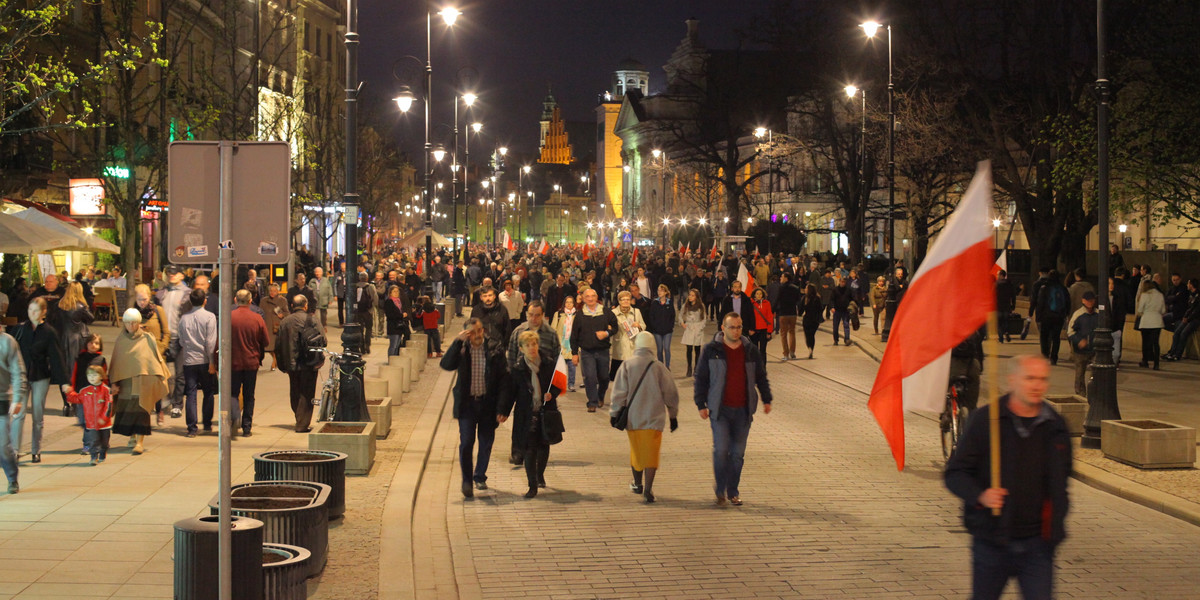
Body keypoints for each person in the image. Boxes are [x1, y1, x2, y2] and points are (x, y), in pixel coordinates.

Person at [944, 355, 1071, 600]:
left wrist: (1055, 526)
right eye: (1030, 378)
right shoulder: (986, 421)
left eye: (1043, 379)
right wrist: (981, 495)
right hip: (992, 542)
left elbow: (1061, 484)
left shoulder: (1055, 426)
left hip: (1038, 546)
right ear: (1012, 380)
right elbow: (955, 473)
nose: (1037, 385)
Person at [695, 313, 772, 507]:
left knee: (737, 454)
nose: (736, 331)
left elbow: (761, 376)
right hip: (720, 410)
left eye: (739, 327)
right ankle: (720, 488)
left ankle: (733, 491)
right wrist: (701, 404)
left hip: (743, 411)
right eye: (732, 327)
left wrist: (766, 398)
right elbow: (701, 378)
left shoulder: (750, 350)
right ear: (723, 328)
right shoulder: (712, 350)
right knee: (721, 450)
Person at [609, 332, 679, 503]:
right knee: (651, 454)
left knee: (637, 451)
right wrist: (673, 416)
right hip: (654, 418)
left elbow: (619, 392)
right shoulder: (659, 366)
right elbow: (671, 394)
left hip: (634, 418)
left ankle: (637, 483)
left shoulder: (627, 365)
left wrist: (614, 413)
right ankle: (648, 489)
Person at [440, 319, 506, 498]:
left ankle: (479, 476)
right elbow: (445, 365)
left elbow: (503, 379)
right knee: (467, 442)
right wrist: (457, 342)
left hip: (488, 404)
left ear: (483, 330)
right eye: (472, 333)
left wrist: (502, 407)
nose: (476, 336)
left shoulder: (494, 348)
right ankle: (467, 480)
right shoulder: (462, 349)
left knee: (485, 443)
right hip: (467, 404)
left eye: (479, 331)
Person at [498, 330, 562, 499]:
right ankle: (532, 485)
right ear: (521, 349)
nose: (532, 348)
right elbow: (510, 393)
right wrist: (503, 411)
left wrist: (552, 394)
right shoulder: (518, 369)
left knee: (543, 446)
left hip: (545, 411)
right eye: (527, 345)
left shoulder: (548, 363)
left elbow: (558, 383)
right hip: (526, 413)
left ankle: (540, 474)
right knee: (529, 449)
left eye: (534, 344)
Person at [11, 297, 69, 463]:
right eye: (30, 310)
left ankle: (36, 450)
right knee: (18, 414)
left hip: (40, 376)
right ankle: (15, 450)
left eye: (36, 310)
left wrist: (64, 381)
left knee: (37, 414)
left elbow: (57, 357)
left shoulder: (49, 332)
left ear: (44, 312)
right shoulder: (20, 329)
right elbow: (11, 352)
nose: (32, 314)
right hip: (21, 377)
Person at [109, 308, 170, 456]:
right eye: (128, 323)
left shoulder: (147, 338)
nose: (131, 326)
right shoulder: (121, 339)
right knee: (128, 411)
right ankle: (132, 437)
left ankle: (139, 442)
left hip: (142, 382)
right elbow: (116, 362)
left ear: (138, 323)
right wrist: (114, 382)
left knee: (141, 411)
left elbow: (154, 360)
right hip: (126, 383)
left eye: (134, 323)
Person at [276, 295, 321, 432]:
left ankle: (299, 417)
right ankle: (302, 423)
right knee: (307, 392)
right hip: (309, 362)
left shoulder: (285, 322)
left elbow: (278, 344)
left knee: (295, 390)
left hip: (291, 363)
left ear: (291, 306)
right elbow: (322, 340)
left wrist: (281, 363)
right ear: (306, 305)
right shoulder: (312, 320)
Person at [177, 289, 217, 438]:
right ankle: (207, 423)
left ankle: (191, 428)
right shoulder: (209, 317)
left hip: (189, 360)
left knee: (191, 394)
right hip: (205, 360)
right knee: (208, 392)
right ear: (204, 301)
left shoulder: (184, 318)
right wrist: (212, 361)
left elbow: (181, 340)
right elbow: (210, 341)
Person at [571, 289, 618, 413]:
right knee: (590, 377)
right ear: (583, 299)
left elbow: (615, 327)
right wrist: (574, 353)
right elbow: (574, 336)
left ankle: (600, 396)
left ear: (597, 297)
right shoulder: (580, 315)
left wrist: (606, 333)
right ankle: (592, 402)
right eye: (587, 296)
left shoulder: (606, 312)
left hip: (603, 350)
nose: (590, 299)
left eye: (593, 296)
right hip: (587, 352)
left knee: (604, 377)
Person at [230, 290, 269, 437]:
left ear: (235, 299)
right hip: (251, 362)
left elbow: (219, 341)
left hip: (233, 362)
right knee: (249, 395)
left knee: (233, 393)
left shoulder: (229, 317)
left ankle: (234, 417)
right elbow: (265, 341)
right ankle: (247, 427)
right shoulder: (257, 318)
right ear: (250, 300)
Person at [55, 282, 94, 425]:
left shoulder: (61, 305)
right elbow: (91, 319)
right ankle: (77, 402)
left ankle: (66, 404)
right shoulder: (81, 306)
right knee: (78, 370)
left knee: (65, 371)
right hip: (78, 340)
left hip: (65, 339)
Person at [156, 265, 190, 418]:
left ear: (182, 276)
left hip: (180, 338)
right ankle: (163, 400)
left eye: (175, 274)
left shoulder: (187, 294)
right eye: (169, 273)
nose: (171, 276)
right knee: (162, 372)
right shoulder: (162, 293)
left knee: (179, 373)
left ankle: (177, 404)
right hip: (164, 338)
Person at [66, 364, 112, 465]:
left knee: (104, 442)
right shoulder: (85, 391)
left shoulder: (106, 390)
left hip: (104, 424)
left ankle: (103, 452)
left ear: (101, 376)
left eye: (94, 375)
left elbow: (108, 406)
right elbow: (77, 399)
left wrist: (104, 418)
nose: (92, 378)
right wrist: (69, 393)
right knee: (93, 440)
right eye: (89, 376)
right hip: (91, 423)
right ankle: (93, 456)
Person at [67, 334, 106, 455]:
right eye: (91, 342)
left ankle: (89, 445)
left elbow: (104, 378)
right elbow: (74, 374)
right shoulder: (80, 358)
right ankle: (94, 441)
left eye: (96, 343)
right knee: (83, 420)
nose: (93, 345)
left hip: (96, 396)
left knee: (92, 421)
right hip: (81, 394)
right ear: (86, 343)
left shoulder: (101, 360)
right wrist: (71, 389)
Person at [0, 321, 27, 493]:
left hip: (1, 398)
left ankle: (12, 476)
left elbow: (18, 372)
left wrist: (18, 398)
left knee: (3, 444)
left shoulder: (7, 342)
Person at [1033, 271, 1069, 365]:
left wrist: (1038, 316)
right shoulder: (1062, 288)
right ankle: (1054, 357)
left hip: (1046, 316)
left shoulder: (1044, 288)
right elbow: (1068, 302)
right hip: (1059, 317)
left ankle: (1045, 354)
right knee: (1056, 337)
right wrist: (1065, 314)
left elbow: (1040, 303)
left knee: (1044, 336)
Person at [1067, 291, 1098, 396]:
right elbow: (1070, 331)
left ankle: (1092, 392)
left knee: (1095, 373)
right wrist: (1078, 340)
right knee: (1080, 373)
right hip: (1080, 350)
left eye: (1092, 300)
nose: (1090, 303)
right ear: (1083, 301)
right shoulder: (1078, 314)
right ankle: (1080, 393)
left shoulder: (1098, 314)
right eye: (1088, 300)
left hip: (1094, 349)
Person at [610, 291, 646, 382]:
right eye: (623, 299)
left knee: (633, 377)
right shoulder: (613, 313)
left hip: (633, 347)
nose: (626, 301)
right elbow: (610, 328)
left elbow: (643, 326)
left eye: (628, 299)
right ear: (619, 301)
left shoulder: (636, 311)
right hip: (619, 347)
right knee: (619, 378)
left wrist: (639, 325)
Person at [1163, 278, 1200, 362]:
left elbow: (1196, 310)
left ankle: (1177, 355)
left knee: (1183, 334)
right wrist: (1185, 316)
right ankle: (1172, 353)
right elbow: (1189, 308)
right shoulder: (1191, 294)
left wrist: (1188, 318)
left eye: (1188, 283)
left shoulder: (1198, 295)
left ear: (1191, 285)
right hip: (1187, 317)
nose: (1187, 285)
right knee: (1176, 332)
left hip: (1195, 319)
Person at [950, 327, 985, 411]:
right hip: (972, 364)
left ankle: (945, 414)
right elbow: (979, 351)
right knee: (973, 386)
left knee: (944, 384)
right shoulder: (975, 331)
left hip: (953, 363)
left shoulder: (947, 328)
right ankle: (972, 409)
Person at [550, 296, 579, 392]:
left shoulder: (578, 315)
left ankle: (571, 384)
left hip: (572, 344)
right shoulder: (558, 314)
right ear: (564, 304)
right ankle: (558, 384)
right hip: (560, 344)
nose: (569, 304)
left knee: (572, 366)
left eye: (571, 302)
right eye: (567, 302)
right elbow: (553, 329)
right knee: (559, 366)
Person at [1136, 279, 1165, 370]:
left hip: (1146, 321)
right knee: (1156, 343)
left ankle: (1145, 361)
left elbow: (1140, 309)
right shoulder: (1160, 295)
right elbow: (1163, 310)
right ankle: (1156, 364)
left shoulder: (1144, 295)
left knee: (1145, 342)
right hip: (1157, 321)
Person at [645, 284, 675, 368]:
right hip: (657, 330)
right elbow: (651, 315)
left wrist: (670, 326)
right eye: (658, 290)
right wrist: (654, 326)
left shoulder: (669, 302)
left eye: (661, 290)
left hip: (667, 330)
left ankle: (667, 366)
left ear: (665, 292)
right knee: (659, 349)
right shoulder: (655, 303)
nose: (659, 292)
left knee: (666, 348)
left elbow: (672, 316)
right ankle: (661, 366)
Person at [679, 289, 707, 377]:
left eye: (692, 295)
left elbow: (704, 319)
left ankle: (696, 368)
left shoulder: (701, 306)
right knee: (689, 349)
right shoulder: (686, 306)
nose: (690, 297)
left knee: (697, 349)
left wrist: (700, 328)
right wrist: (682, 323)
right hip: (689, 328)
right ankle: (689, 367)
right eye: (689, 295)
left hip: (698, 329)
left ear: (696, 297)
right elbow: (680, 315)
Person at [775, 272, 800, 361]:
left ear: (786, 278)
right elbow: (798, 300)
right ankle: (792, 351)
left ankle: (786, 353)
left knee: (783, 334)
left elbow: (777, 299)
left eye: (782, 277)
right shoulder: (796, 288)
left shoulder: (781, 288)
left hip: (783, 313)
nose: (780, 278)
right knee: (792, 332)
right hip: (793, 313)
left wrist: (773, 310)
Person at [383, 285, 411, 356]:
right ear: (390, 293)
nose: (396, 293)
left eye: (397, 291)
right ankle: (391, 360)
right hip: (393, 326)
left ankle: (394, 360)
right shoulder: (389, 302)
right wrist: (401, 315)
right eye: (394, 291)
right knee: (393, 345)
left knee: (397, 345)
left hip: (399, 326)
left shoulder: (399, 301)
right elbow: (390, 314)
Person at [354, 273, 377, 354]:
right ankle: (367, 344)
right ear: (367, 278)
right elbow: (375, 298)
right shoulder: (370, 286)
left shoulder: (355, 286)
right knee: (368, 329)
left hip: (358, 311)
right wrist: (372, 308)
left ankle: (361, 346)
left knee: (360, 329)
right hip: (368, 311)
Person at [799, 283, 823, 360]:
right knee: (811, 335)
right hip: (815, 320)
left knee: (808, 335)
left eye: (806, 288)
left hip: (808, 319)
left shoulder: (805, 298)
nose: (805, 289)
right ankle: (811, 349)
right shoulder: (817, 298)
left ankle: (810, 348)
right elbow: (821, 309)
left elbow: (800, 310)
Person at [748, 287, 774, 357]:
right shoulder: (750, 304)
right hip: (754, 330)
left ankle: (762, 366)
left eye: (760, 294)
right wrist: (749, 329)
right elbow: (748, 317)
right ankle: (755, 366)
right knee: (754, 350)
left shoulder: (767, 303)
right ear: (754, 295)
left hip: (763, 330)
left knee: (763, 350)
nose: (759, 295)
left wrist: (769, 331)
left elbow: (770, 317)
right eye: (757, 294)